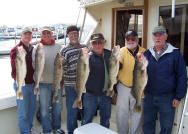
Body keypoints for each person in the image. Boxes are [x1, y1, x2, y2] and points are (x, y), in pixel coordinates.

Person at [143, 25, 187, 134]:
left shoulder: (175, 54)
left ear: (166, 37)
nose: (158, 38)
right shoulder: (147, 54)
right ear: (152, 37)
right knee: (147, 124)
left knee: (166, 127)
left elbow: (182, 76)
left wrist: (178, 96)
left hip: (167, 97)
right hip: (148, 95)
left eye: (160, 35)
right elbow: (140, 73)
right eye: (155, 35)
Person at [33, 26, 65, 134]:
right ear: (41, 35)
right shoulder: (37, 48)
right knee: (44, 110)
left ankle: (56, 129)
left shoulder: (59, 47)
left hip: (57, 83)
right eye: (44, 33)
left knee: (57, 108)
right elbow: (35, 66)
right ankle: (46, 131)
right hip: (43, 84)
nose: (46, 35)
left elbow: (64, 65)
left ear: (51, 34)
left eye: (48, 33)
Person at [116, 30, 145, 134]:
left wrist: (143, 60)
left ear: (137, 39)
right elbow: (117, 65)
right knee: (121, 113)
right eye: (128, 38)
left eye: (133, 38)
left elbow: (147, 68)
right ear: (125, 40)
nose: (130, 40)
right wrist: (115, 61)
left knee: (137, 114)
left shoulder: (144, 52)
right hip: (123, 86)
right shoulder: (122, 51)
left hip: (139, 87)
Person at [81, 33, 112, 128]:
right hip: (90, 94)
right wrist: (83, 57)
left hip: (105, 94)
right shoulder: (87, 56)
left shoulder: (110, 54)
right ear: (91, 44)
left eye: (100, 42)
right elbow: (80, 71)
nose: (97, 45)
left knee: (105, 121)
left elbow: (117, 70)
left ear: (104, 43)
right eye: (94, 43)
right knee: (87, 120)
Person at [61, 25, 87, 134]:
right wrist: (63, 64)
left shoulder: (85, 48)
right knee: (72, 112)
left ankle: (84, 131)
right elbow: (63, 69)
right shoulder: (64, 50)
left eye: (76, 33)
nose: (74, 35)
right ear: (68, 36)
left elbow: (89, 65)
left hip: (85, 85)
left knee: (86, 112)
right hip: (71, 86)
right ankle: (72, 132)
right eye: (72, 34)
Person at [10, 27, 36, 134]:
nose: (27, 36)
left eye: (29, 34)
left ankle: (29, 128)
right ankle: (25, 131)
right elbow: (14, 68)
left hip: (33, 84)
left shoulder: (33, 48)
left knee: (31, 109)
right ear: (21, 36)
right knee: (23, 111)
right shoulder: (16, 49)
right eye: (25, 34)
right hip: (21, 84)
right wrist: (19, 57)